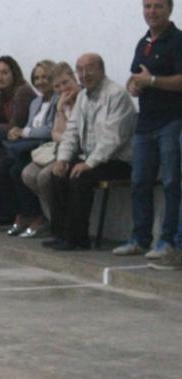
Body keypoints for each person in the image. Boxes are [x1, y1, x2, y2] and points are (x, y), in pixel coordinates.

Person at [44, 53, 136, 251]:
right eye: (80, 70)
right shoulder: (83, 96)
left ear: (101, 70)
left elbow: (113, 139)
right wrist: (62, 159)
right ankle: (60, 234)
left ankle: (78, 238)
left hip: (118, 160)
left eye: (89, 68)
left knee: (81, 177)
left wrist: (89, 163)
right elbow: (72, 131)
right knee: (58, 174)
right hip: (92, 157)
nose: (84, 74)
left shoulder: (116, 95)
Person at [113, 0, 182, 262]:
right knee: (139, 182)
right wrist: (134, 86)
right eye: (147, 6)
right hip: (145, 123)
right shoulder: (143, 43)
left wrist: (152, 81)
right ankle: (140, 238)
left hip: (172, 121)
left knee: (171, 182)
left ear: (170, 9)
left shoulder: (178, 41)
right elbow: (135, 76)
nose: (152, 12)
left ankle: (168, 241)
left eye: (158, 6)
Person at [21, 62, 82, 227]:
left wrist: (62, 136)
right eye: (57, 86)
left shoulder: (83, 99)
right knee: (27, 173)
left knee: (44, 177)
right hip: (59, 149)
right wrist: (61, 110)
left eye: (65, 83)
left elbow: (69, 135)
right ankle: (54, 217)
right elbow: (56, 134)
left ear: (74, 78)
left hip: (77, 152)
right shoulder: (62, 102)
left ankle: (61, 223)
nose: (62, 89)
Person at [3, 60, 57, 238]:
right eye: (37, 78)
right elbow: (28, 127)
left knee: (18, 169)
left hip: (47, 148)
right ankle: (25, 213)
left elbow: (51, 129)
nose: (41, 81)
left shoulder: (58, 100)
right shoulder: (36, 102)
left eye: (45, 77)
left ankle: (37, 216)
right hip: (31, 147)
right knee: (7, 168)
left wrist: (24, 132)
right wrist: (16, 133)